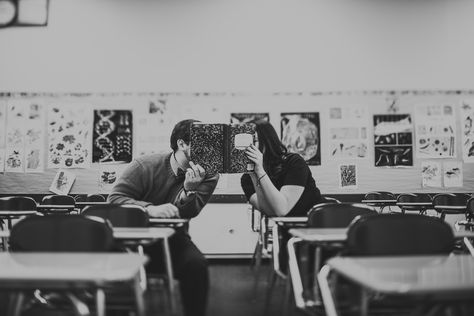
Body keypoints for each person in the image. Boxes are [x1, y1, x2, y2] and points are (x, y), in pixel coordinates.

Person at [108, 119, 219, 316]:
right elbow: (115, 199)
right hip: (131, 238)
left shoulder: (209, 174)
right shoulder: (144, 166)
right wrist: (149, 209)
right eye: (202, 144)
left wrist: (189, 191)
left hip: (172, 238)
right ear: (182, 144)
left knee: (197, 266)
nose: (208, 150)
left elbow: (190, 213)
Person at [241, 120, 325, 218]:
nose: (247, 148)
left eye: (252, 141)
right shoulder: (247, 178)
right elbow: (270, 212)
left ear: (267, 140)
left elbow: (282, 210)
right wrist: (254, 175)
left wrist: (260, 172)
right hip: (286, 228)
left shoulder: (294, 162)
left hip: (317, 224)